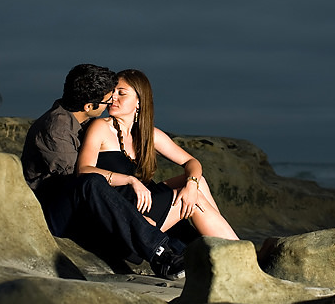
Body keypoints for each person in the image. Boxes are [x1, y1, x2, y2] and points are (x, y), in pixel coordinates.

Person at [20, 64, 186, 280]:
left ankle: (183, 249)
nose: (111, 103)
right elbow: (81, 181)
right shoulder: (57, 129)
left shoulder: (81, 120)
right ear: (89, 105)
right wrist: (130, 197)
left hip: (78, 204)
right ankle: (159, 253)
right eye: (108, 100)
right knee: (92, 181)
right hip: (55, 211)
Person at [77, 68, 239, 240]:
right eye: (112, 92)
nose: (112, 98)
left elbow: (192, 162)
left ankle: (230, 246)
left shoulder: (148, 134)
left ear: (139, 101)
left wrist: (191, 184)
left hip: (147, 199)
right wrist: (129, 180)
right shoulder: (101, 127)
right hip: (124, 208)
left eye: (121, 93)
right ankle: (238, 253)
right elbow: (84, 169)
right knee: (195, 198)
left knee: (197, 182)